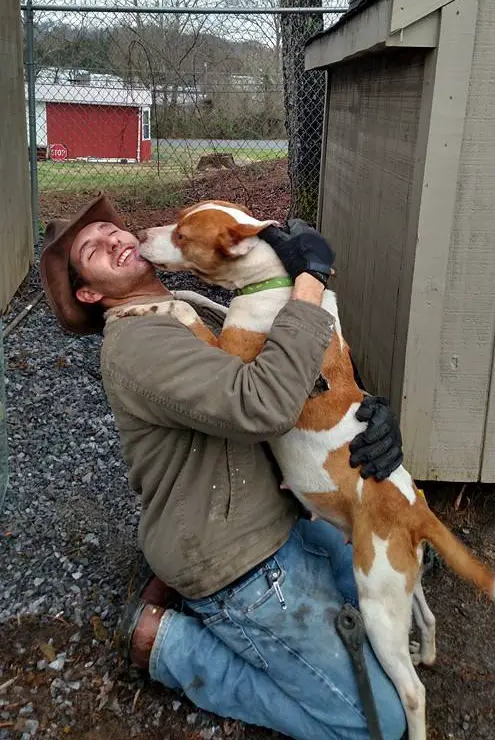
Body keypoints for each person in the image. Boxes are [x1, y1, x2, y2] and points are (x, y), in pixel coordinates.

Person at [40, 193, 406, 740]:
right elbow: (262, 402)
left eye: (112, 231)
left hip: (277, 516)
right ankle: (170, 646)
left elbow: (295, 377)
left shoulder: (174, 311)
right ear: (89, 292)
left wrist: (368, 418)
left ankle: (175, 589)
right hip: (237, 560)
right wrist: (309, 280)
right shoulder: (139, 344)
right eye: (93, 249)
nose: (115, 239)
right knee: (378, 722)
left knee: (397, 589)